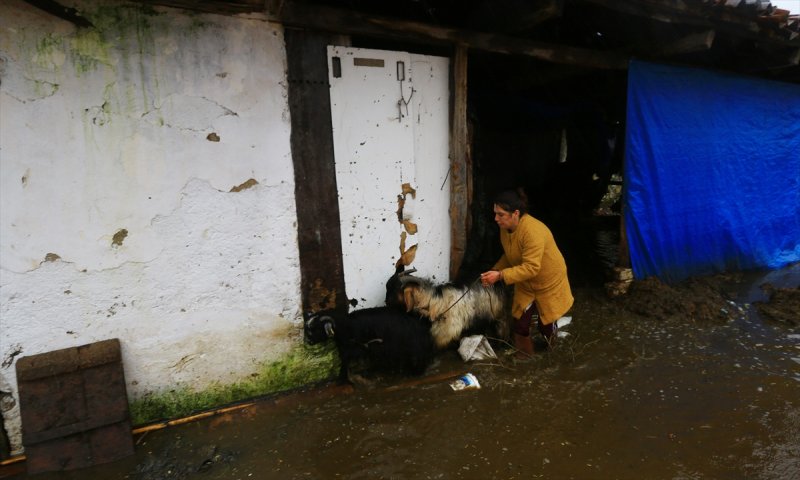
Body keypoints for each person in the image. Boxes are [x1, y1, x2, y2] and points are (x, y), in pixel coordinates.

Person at [480, 189, 574, 356]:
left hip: (547, 280)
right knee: (520, 324)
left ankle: (553, 352)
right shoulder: (505, 228)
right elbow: (511, 255)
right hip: (526, 281)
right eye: (495, 213)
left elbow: (532, 267)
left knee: (546, 324)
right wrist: (495, 269)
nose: (496, 219)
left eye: (501, 214)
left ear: (515, 213)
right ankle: (525, 358)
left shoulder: (532, 231)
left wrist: (501, 276)